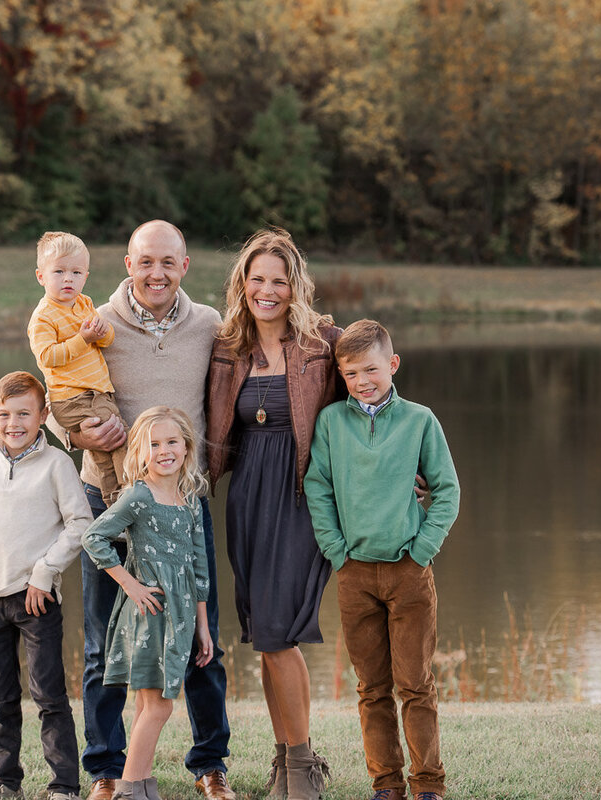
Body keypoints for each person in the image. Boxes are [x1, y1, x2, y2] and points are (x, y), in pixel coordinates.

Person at [65, 220, 234, 800]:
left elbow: (271, 349)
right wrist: (83, 435)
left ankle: (210, 764)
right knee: (102, 643)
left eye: (168, 262)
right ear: (127, 264)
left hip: (183, 505)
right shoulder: (96, 324)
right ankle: (108, 772)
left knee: (197, 636)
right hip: (109, 498)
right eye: (145, 262)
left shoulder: (210, 324)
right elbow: (64, 400)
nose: (156, 273)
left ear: (184, 265)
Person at [204, 227, 343, 800]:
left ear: (295, 286)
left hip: (299, 495)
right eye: (257, 278)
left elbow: (368, 402)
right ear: (242, 283)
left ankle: (306, 766)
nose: (267, 290)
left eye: (278, 280)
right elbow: (211, 428)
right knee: (263, 635)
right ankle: (285, 765)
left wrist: (402, 476)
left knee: (279, 632)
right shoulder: (226, 348)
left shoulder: (323, 343)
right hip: (248, 497)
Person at [303, 320, 460, 800]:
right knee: (371, 688)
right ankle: (386, 785)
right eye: (350, 373)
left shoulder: (419, 421)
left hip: (409, 572)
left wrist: (421, 551)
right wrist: (336, 553)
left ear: (391, 364)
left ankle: (427, 785)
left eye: (370, 369)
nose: (361, 381)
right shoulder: (331, 422)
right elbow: (318, 488)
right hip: (354, 575)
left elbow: (447, 492)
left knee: (415, 684)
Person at [0, 371, 91, 800]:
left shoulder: (56, 465)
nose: (14, 423)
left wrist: (44, 573)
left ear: (43, 415)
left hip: (36, 600)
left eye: (25, 413)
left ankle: (63, 785)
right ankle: (4, 782)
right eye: (5, 414)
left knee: (49, 696)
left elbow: (80, 523)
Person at [82, 407, 215, 800]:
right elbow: (94, 538)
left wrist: (203, 625)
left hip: (181, 613)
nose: (163, 451)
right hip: (149, 613)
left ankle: (135, 784)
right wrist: (131, 584)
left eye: (171, 441)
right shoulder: (139, 496)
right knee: (159, 707)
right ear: (139, 453)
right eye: (153, 444)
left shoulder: (188, 498)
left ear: (187, 446)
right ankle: (131, 789)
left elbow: (199, 565)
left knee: (146, 706)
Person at [28, 231, 128, 502]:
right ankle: (133, 497)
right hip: (74, 397)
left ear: (86, 276)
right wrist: (83, 339)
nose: (68, 279)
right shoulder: (44, 318)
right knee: (121, 438)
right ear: (41, 277)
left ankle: (114, 503)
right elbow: (47, 357)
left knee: (103, 456)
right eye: (58, 272)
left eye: (76, 272)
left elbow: (105, 340)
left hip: (94, 393)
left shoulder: (84, 304)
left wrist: (102, 331)